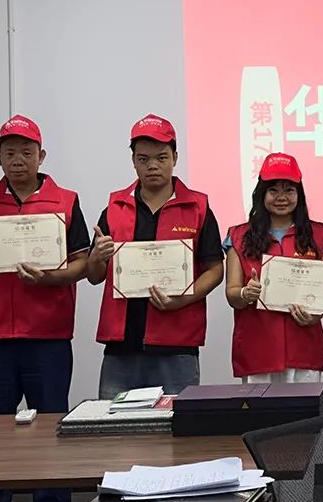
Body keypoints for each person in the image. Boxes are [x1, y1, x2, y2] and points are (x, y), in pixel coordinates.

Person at [0, 115, 90, 502]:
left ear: (41, 155)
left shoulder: (66, 201)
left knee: (50, 429)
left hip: (48, 334)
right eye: (9, 152)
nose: (18, 159)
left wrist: (51, 278)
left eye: (26, 152)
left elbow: (84, 263)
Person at [87, 114, 224, 397]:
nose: (152, 166)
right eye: (143, 159)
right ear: (133, 161)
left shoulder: (198, 208)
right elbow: (94, 276)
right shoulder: (114, 208)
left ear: (175, 157)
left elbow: (215, 269)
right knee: (115, 422)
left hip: (177, 344)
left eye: (161, 158)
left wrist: (183, 298)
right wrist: (97, 257)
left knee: (175, 422)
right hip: (121, 346)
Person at [224, 152, 323, 383]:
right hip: (257, 350)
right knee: (259, 408)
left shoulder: (319, 235)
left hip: (303, 347)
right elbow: (232, 294)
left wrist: (314, 316)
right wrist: (245, 294)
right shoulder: (238, 236)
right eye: (273, 190)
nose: (282, 197)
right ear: (261, 194)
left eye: (289, 190)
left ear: (299, 194)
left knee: (305, 407)